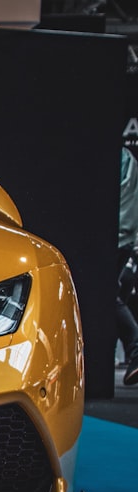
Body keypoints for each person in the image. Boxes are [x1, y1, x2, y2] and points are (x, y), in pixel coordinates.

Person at [117, 147, 138, 386]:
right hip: (125, 236)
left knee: (107, 298)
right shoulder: (127, 158)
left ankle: (135, 347)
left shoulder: (120, 157)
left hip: (118, 236)